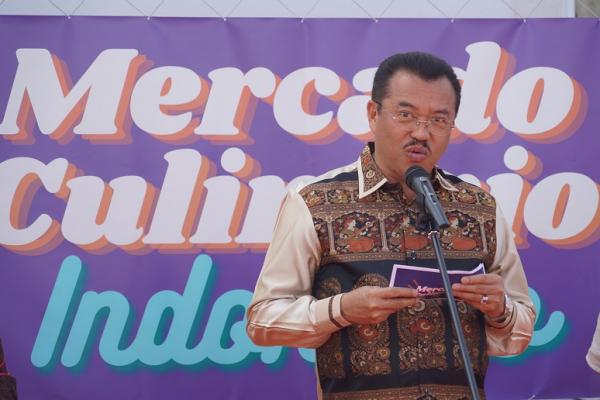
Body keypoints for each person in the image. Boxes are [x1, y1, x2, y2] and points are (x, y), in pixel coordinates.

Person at [246, 52, 535, 399]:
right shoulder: (314, 203)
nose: (421, 133)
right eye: (405, 115)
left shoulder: (480, 208)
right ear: (373, 114)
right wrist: (341, 310)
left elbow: (519, 333)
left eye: (439, 119)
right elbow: (262, 321)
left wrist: (500, 310)